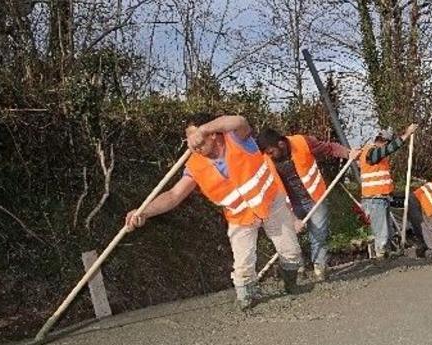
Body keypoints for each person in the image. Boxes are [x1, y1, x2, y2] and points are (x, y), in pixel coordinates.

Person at [124, 114, 304, 310]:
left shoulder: (238, 139)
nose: (194, 145)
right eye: (190, 140)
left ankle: (290, 283)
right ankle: (247, 298)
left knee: (291, 252)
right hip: (240, 215)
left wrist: (202, 130)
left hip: (270, 201)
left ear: (213, 135)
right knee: (243, 264)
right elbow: (173, 195)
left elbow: (240, 121)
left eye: (197, 138)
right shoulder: (195, 166)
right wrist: (144, 212)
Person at [256, 129, 359, 281]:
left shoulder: (303, 142)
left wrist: (348, 153)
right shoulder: (265, 160)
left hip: (315, 197)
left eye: (271, 152)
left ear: (280, 144)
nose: (269, 156)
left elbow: (329, 147)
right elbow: (271, 191)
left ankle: (320, 269)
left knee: (318, 235)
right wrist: (292, 217)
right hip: (290, 205)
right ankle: (298, 270)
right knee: (289, 237)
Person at [359, 124, 418, 259]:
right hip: (374, 199)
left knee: (387, 231)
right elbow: (389, 149)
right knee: (382, 233)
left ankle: (386, 255)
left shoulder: (375, 155)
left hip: (381, 198)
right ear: (384, 141)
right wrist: (407, 134)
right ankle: (381, 258)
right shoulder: (372, 152)